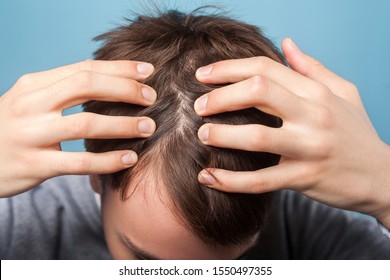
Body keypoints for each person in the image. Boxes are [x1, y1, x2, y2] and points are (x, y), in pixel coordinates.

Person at [0, 8, 389, 259]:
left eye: (229, 267)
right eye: (145, 264)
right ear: (97, 179)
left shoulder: (320, 229)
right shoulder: (18, 226)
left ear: (274, 189)